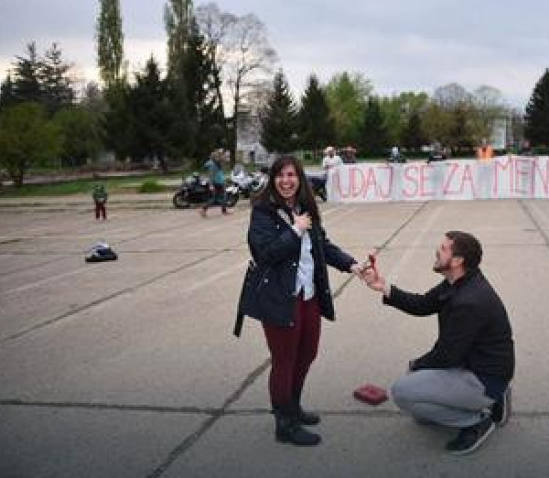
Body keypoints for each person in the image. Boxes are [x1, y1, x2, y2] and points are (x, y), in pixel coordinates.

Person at [245, 155, 364, 447]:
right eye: (280, 176)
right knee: (284, 360)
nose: (286, 181)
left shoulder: (306, 209)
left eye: (291, 175)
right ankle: (284, 424)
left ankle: (294, 406)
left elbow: (322, 245)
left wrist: (352, 265)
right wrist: (295, 230)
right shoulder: (262, 212)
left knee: (307, 353)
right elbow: (265, 255)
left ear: (300, 179)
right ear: (272, 180)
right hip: (279, 297)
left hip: (308, 294)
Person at [361, 231, 514, 456]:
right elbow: (422, 304)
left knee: (402, 392)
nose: (436, 251)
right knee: (421, 413)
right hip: (476, 365)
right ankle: (493, 399)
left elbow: (447, 355)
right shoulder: (459, 282)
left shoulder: (469, 300)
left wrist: (417, 365)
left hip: (483, 376)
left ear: (457, 260)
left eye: (443, 249)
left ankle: (476, 421)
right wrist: (383, 286)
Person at [202, 149, 228, 217]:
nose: (219, 158)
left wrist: (221, 153)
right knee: (219, 198)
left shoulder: (217, 163)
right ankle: (204, 209)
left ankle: (205, 209)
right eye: (217, 157)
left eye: (218, 157)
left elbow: (224, 159)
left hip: (220, 182)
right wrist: (211, 185)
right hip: (217, 183)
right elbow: (211, 175)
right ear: (214, 158)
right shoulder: (213, 165)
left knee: (218, 198)